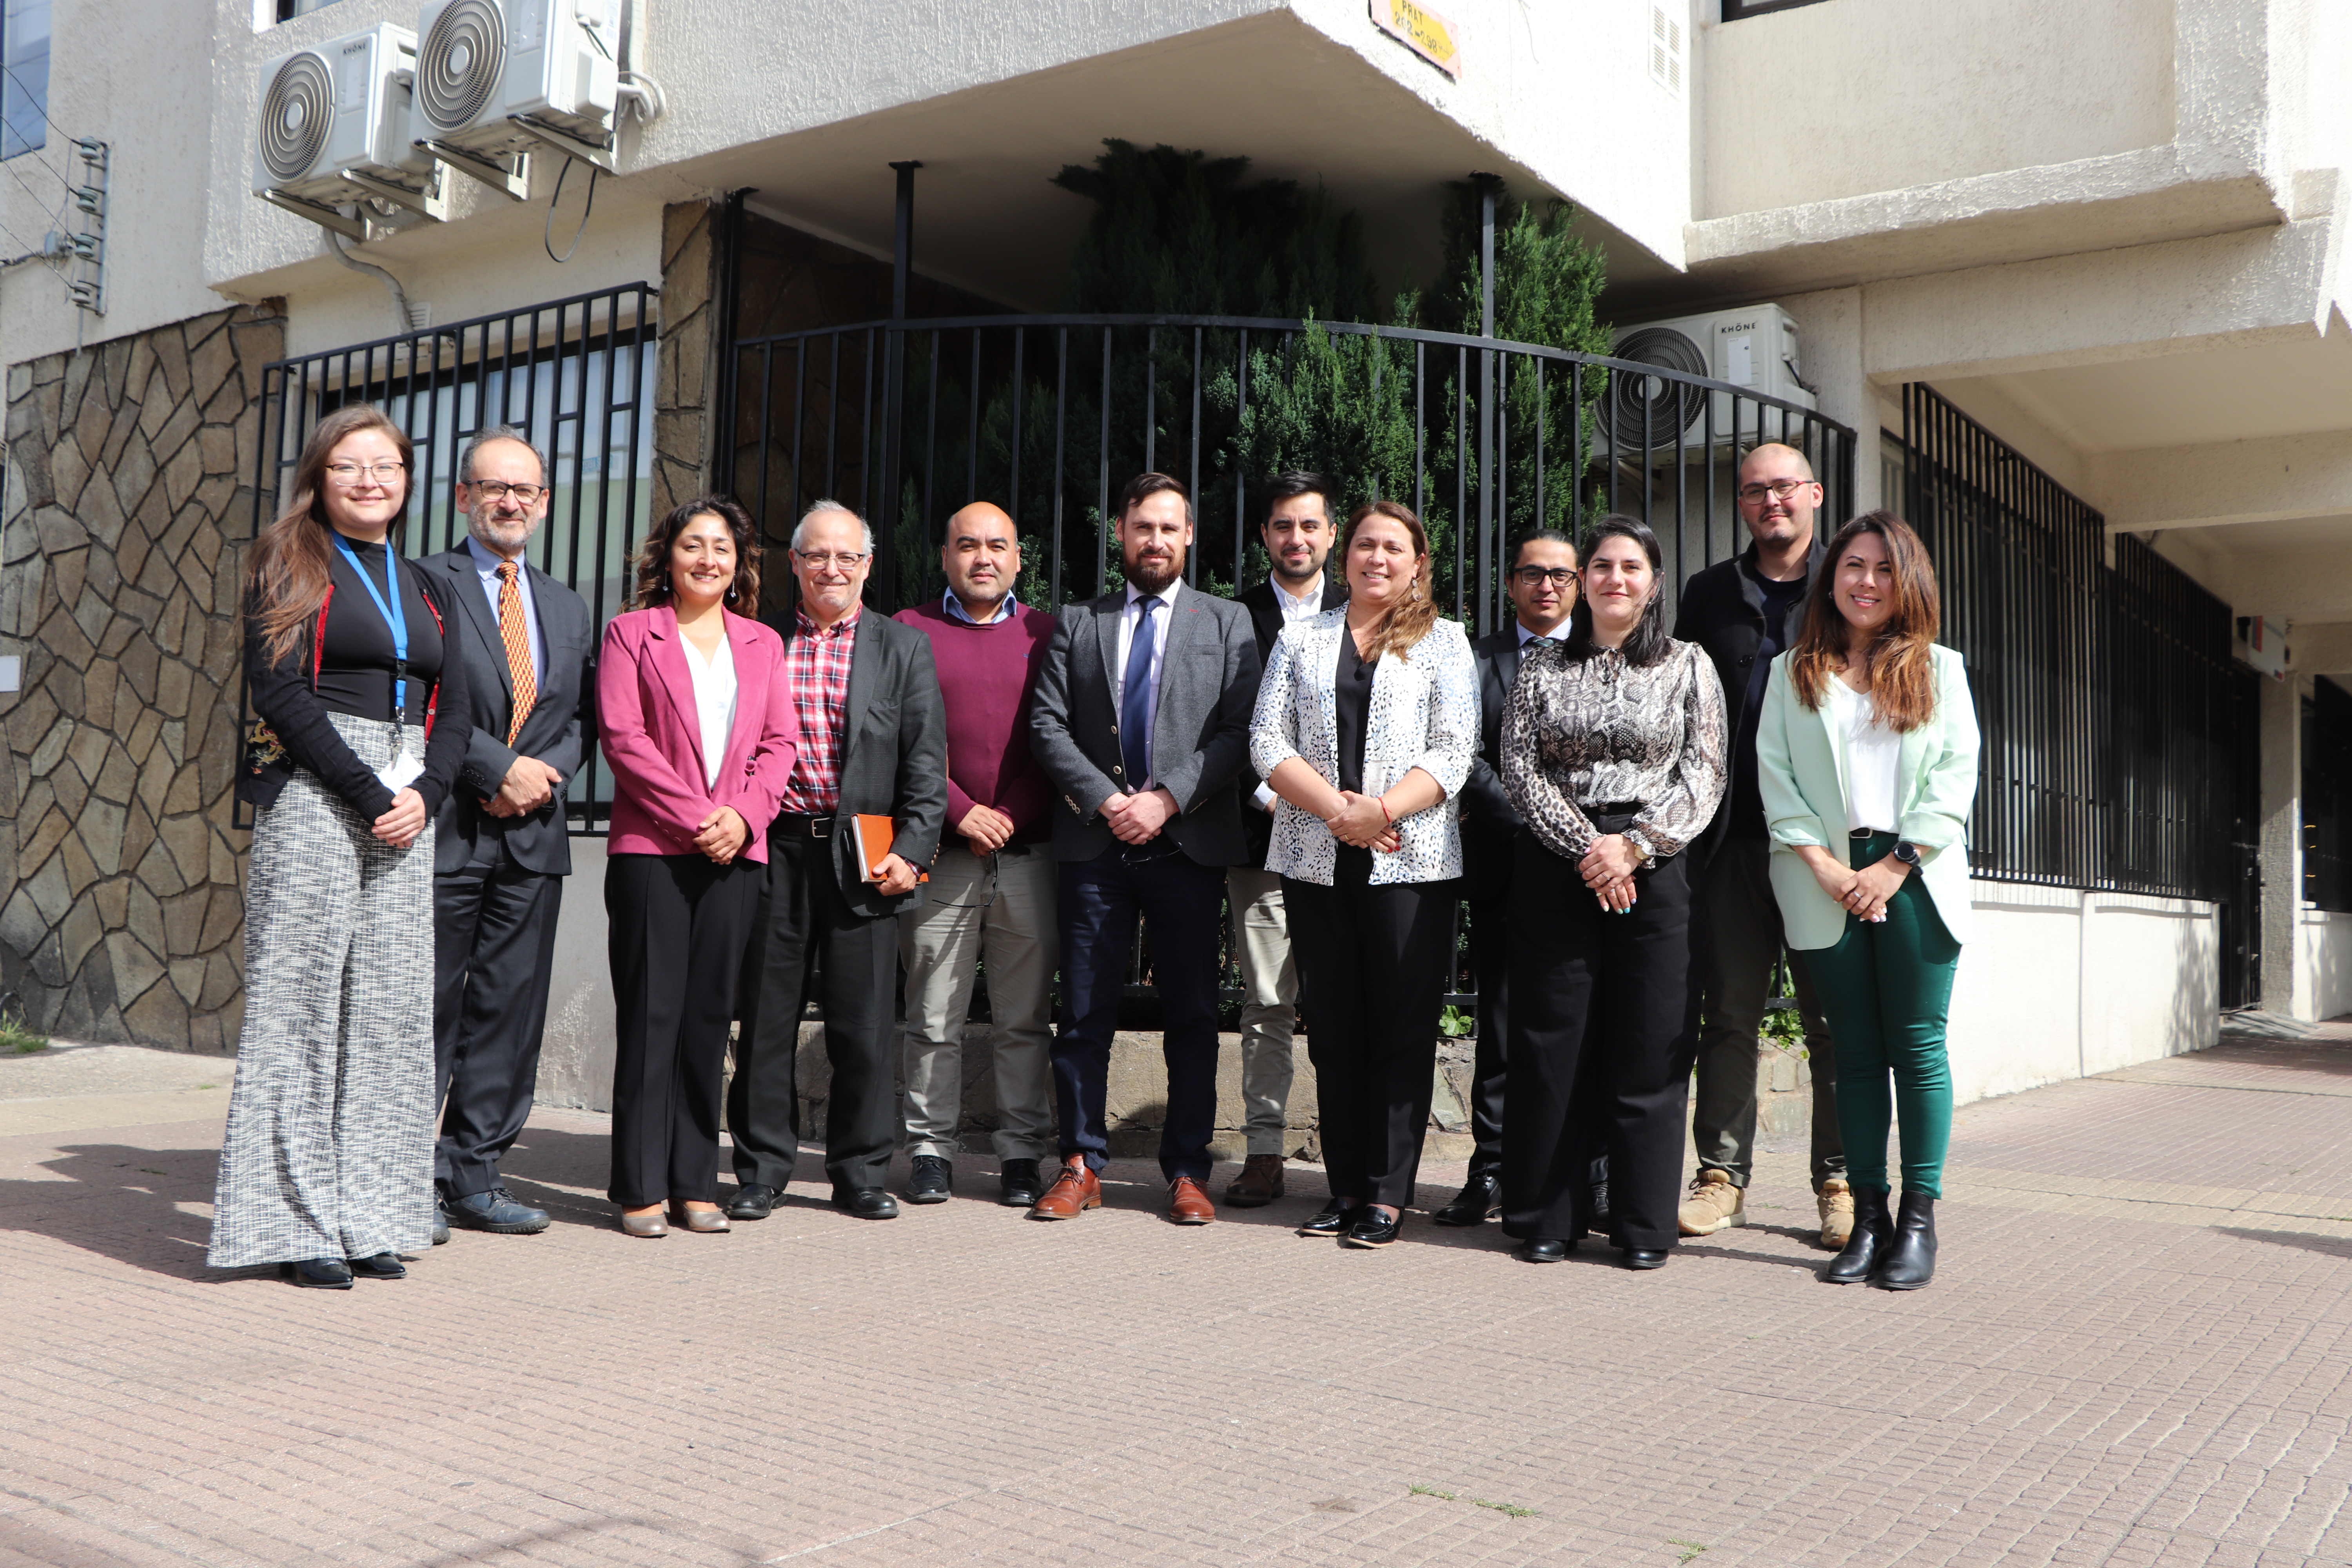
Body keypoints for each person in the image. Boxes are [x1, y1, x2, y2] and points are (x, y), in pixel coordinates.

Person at [212, 403, 473, 1289]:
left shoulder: (430, 582)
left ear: (408, 480)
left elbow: (462, 702)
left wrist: (426, 795)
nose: (371, 480)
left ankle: (371, 1214)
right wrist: (369, 794)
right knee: (301, 1007)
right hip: (319, 787)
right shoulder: (289, 560)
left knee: (394, 1013)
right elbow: (279, 694)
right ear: (320, 478)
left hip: (408, 799)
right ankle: (291, 1222)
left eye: (387, 466)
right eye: (350, 466)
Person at [1027, 472, 1261, 1226]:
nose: (1155, 540)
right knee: (1085, 1013)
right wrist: (1107, 801)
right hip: (1096, 845)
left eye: (1169, 528)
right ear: (1119, 535)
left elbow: (1238, 730)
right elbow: (1047, 726)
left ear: (1189, 536)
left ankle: (1188, 1171)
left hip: (1185, 845)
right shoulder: (1078, 621)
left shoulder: (1226, 623)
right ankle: (1080, 1163)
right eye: (1142, 528)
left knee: (1191, 1015)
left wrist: (1166, 800)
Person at [1757, 512, 1978, 1290]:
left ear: (1906, 580)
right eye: (1854, 565)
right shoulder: (1794, 672)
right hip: (1823, 878)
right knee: (1852, 1056)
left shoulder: (1940, 669)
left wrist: (1895, 864)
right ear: (1832, 576)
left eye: (1884, 569)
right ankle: (1869, 1216)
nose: (1867, 582)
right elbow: (1775, 777)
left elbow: (1955, 777)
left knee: (1916, 1048)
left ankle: (1919, 1219)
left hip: (1915, 870)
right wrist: (1824, 866)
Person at [1500, 515, 1726, 1270]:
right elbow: (1522, 771)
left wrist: (1633, 848)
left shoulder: (1690, 665)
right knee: (1551, 1044)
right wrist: (1588, 850)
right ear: (1582, 580)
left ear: (1654, 583)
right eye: (1601, 566)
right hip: (1558, 865)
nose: (1615, 579)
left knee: (1648, 1046)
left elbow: (1705, 776)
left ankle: (1640, 1225)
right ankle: (1544, 1216)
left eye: (1632, 567)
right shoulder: (1541, 668)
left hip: (1655, 871)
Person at [1252, 501, 1476, 1248]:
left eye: (1393, 547)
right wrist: (1336, 814)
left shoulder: (1445, 643)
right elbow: (1265, 739)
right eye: (1364, 545)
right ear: (1344, 557)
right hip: (1316, 859)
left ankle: (1386, 1194)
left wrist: (1379, 811)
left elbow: (1453, 751)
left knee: (1401, 1030)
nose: (1376, 558)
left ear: (1419, 562)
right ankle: (1343, 1188)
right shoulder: (1301, 638)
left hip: (1409, 862)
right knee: (1336, 1032)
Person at [728, 501, 948, 1223]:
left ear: (867, 566)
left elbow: (925, 765)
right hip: (773, 851)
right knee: (765, 1020)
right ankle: (761, 1169)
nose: (832, 568)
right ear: (793, 563)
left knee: (862, 1026)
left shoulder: (902, 648)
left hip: (865, 855)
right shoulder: (757, 642)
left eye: (847, 557)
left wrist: (913, 854)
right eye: (817, 555)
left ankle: (859, 1172)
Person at [598, 497, 799, 1238]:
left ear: (738, 562)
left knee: (710, 1020)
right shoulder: (630, 635)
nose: (707, 559)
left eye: (721, 548)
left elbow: (780, 745)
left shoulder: (761, 644)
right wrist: (697, 819)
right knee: (653, 1017)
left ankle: (693, 1181)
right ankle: (640, 1185)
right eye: (693, 545)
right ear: (668, 557)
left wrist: (743, 816)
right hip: (652, 853)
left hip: (735, 854)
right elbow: (623, 739)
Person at [1672, 441, 1849, 1247]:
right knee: (1730, 1013)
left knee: (1834, 1022)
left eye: (1783, 487)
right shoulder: (1710, 591)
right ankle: (1721, 1175)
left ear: (1814, 492)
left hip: (1824, 846)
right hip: (1734, 840)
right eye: (1754, 491)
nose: (1770, 501)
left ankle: (1841, 1181)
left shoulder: (1851, 582)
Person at [420, 426, 594, 1241]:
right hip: (450, 824)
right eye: (495, 487)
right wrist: (493, 770)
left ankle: (475, 1174)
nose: (511, 501)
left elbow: (580, 719)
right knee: (426, 1006)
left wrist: (539, 775)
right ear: (464, 497)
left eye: (526, 490)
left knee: (507, 1010)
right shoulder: (427, 582)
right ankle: (403, 1173)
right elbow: (417, 697)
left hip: (533, 835)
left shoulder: (566, 603)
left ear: (546, 502)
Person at [891, 502, 1059, 1209]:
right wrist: (963, 812)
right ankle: (931, 1149)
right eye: (967, 545)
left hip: (1030, 854)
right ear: (946, 556)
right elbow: (900, 740)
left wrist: (1011, 814)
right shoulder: (908, 632)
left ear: (1020, 558)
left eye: (997, 546)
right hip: (941, 854)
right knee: (934, 1016)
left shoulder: (1049, 632)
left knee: (1024, 1018)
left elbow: (1059, 738)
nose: (982, 557)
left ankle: (1022, 1152)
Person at [1435, 530, 1579, 1229]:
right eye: (1531, 574)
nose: (1545, 586)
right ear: (1512, 584)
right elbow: (1463, 752)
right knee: (1498, 1025)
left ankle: (1585, 1171)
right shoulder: (1477, 659)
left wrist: (1581, 836)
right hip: (1506, 863)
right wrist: (1531, 828)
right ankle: (1489, 1168)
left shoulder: (1605, 652)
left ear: (1578, 583)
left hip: (1589, 871)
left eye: (1559, 574)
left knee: (1585, 1023)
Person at [1224, 472, 1347, 1207]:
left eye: (1309, 526)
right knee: (1267, 1002)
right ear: (1264, 536)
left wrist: (1343, 811)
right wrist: (1274, 794)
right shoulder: (1231, 618)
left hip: (1352, 842)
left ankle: (1349, 1157)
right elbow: (1223, 719)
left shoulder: (1369, 606)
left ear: (1331, 533)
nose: (1296, 539)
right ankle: (1265, 1151)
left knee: (1341, 1003)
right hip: (1263, 839)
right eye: (1281, 526)